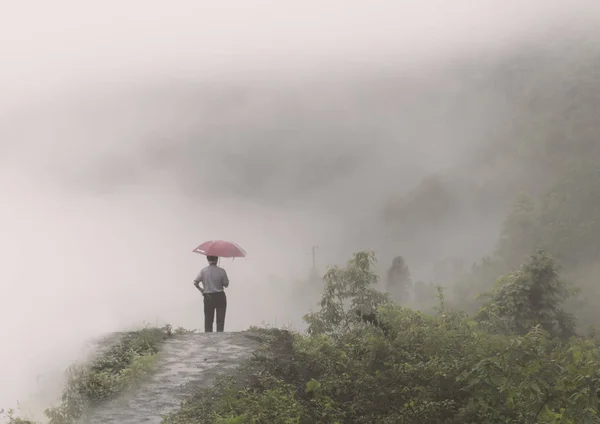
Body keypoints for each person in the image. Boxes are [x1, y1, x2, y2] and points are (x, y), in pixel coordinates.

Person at [193, 255, 229, 332]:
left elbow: (195, 282)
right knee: (220, 320)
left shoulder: (203, 271)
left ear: (207, 259)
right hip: (220, 296)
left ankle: (208, 339)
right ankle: (219, 338)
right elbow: (226, 284)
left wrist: (201, 290)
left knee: (208, 320)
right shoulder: (222, 271)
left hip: (208, 297)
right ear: (217, 259)